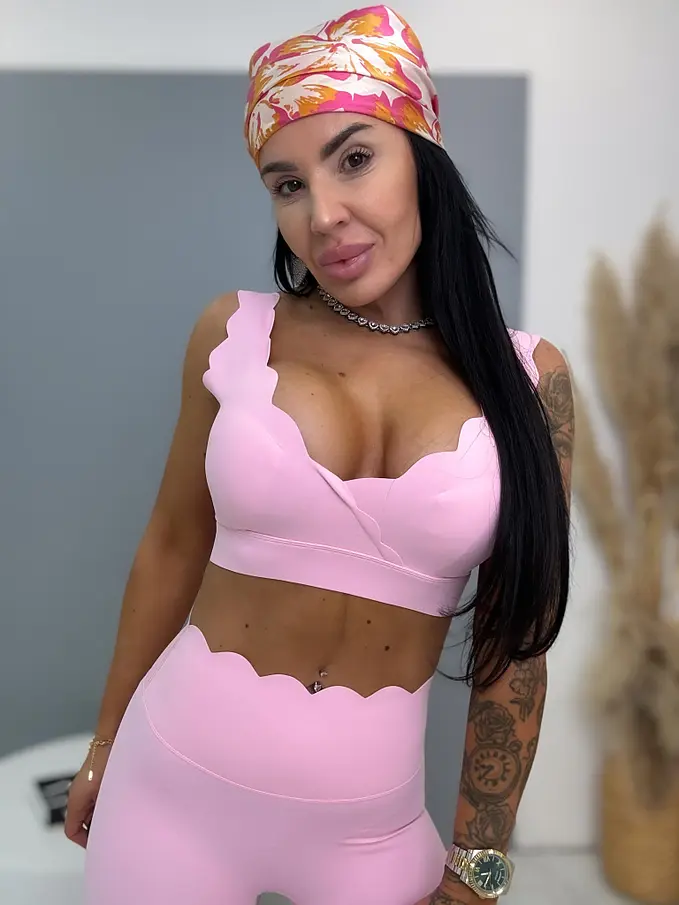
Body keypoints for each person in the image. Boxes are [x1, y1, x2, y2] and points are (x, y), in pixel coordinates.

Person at [66, 5, 573, 904]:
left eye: (354, 159)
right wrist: (103, 745)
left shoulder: (530, 382)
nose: (324, 214)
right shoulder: (234, 333)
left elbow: (517, 648)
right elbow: (172, 546)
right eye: (287, 184)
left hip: (369, 836)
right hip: (169, 791)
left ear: (422, 154)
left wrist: (478, 867)